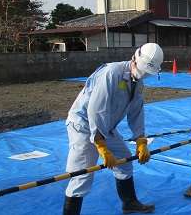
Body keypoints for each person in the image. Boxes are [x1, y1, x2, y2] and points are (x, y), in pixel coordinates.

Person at [62, 43, 164, 215]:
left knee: (124, 161)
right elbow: (96, 110)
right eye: (143, 70)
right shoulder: (111, 73)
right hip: (84, 125)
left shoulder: (138, 82)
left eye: (148, 73)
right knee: (82, 175)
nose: (144, 75)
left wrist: (141, 140)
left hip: (105, 127)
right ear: (135, 58)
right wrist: (101, 146)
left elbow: (136, 111)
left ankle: (129, 203)